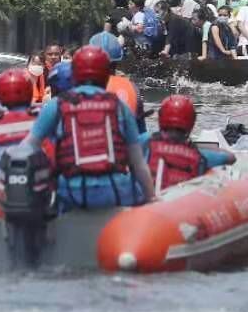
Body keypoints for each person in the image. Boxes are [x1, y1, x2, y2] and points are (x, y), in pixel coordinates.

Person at [24, 45, 156, 211]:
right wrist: (152, 198)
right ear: (106, 74)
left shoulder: (56, 105)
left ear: (75, 73)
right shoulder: (120, 106)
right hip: (115, 191)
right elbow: (138, 164)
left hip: (71, 193)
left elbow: (27, 148)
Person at [146, 95, 235, 191]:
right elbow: (231, 157)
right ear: (191, 122)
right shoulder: (200, 156)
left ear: (161, 117)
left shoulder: (145, 144)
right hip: (182, 202)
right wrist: (201, 147)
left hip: (147, 201)